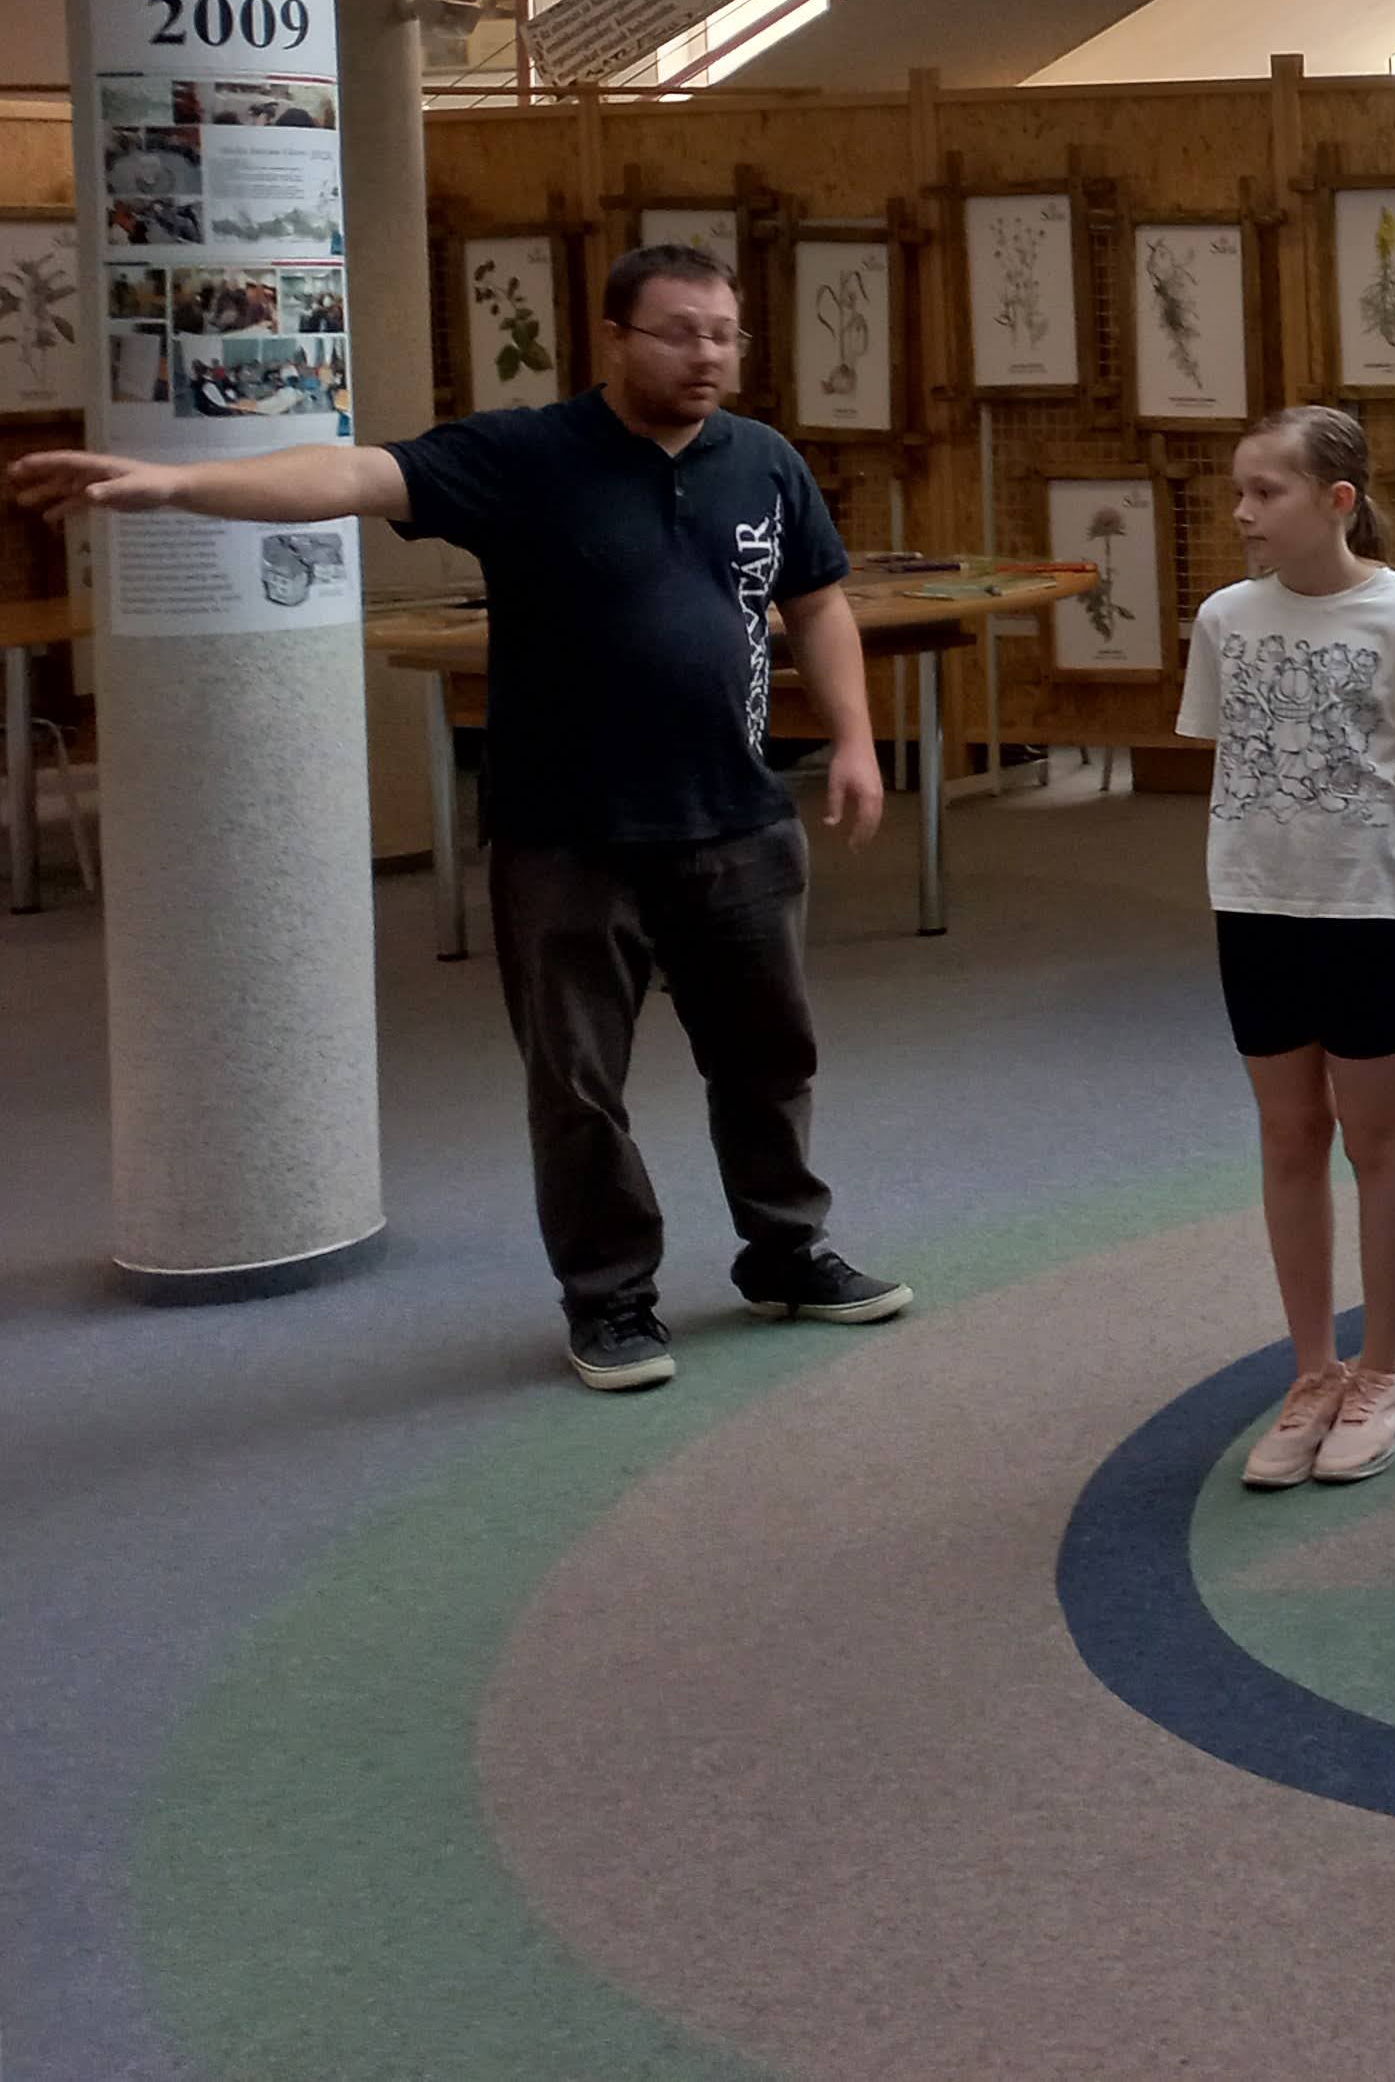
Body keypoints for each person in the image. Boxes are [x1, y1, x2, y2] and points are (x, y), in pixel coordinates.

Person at [19, 241, 903, 1391]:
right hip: (568, 835)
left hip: (737, 821)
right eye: (680, 332)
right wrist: (180, 487)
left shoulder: (765, 461)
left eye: (724, 334)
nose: (708, 355)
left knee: (769, 1060)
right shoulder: (526, 455)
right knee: (578, 1087)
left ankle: (785, 1253)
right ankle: (611, 1301)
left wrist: (854, 738)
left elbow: (817, 601)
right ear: (614, 338)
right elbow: (352, 476)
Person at [1187, 407, 1395, 1496]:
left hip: (1364, 906)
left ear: (1338, 501)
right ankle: (1313, 1370)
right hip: (1254, 904)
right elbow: (1226, 760)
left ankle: (1383, 1369)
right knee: (1288, 1132)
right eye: (1240, 491)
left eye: (1267, 492)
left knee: (1374, 1132)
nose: (1243, 512)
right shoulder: (1225, 618)